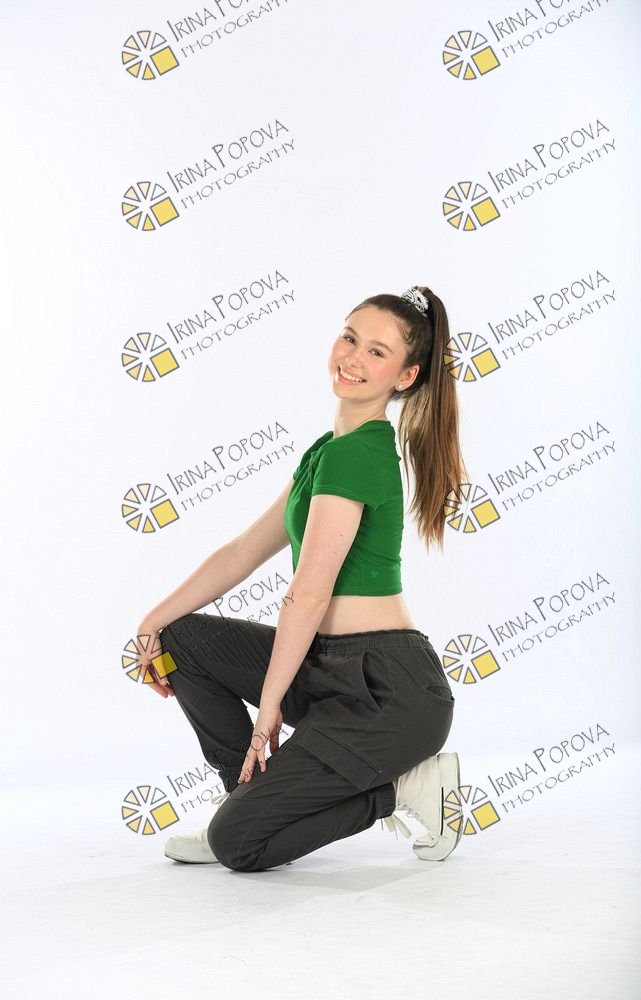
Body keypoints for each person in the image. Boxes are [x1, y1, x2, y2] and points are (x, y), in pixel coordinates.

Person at [135, 285, 469, 873]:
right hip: (327, 669)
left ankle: (402, 786)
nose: (353, 358)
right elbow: (243, 551)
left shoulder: (356, 455)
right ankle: (244, 797)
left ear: (406, 375)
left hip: (386, 694)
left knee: (239, 847)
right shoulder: (327, 450)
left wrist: (269, 706)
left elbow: (309, 593)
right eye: (349, 338)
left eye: (377, 352)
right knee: (181, 638)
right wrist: (152, 623)